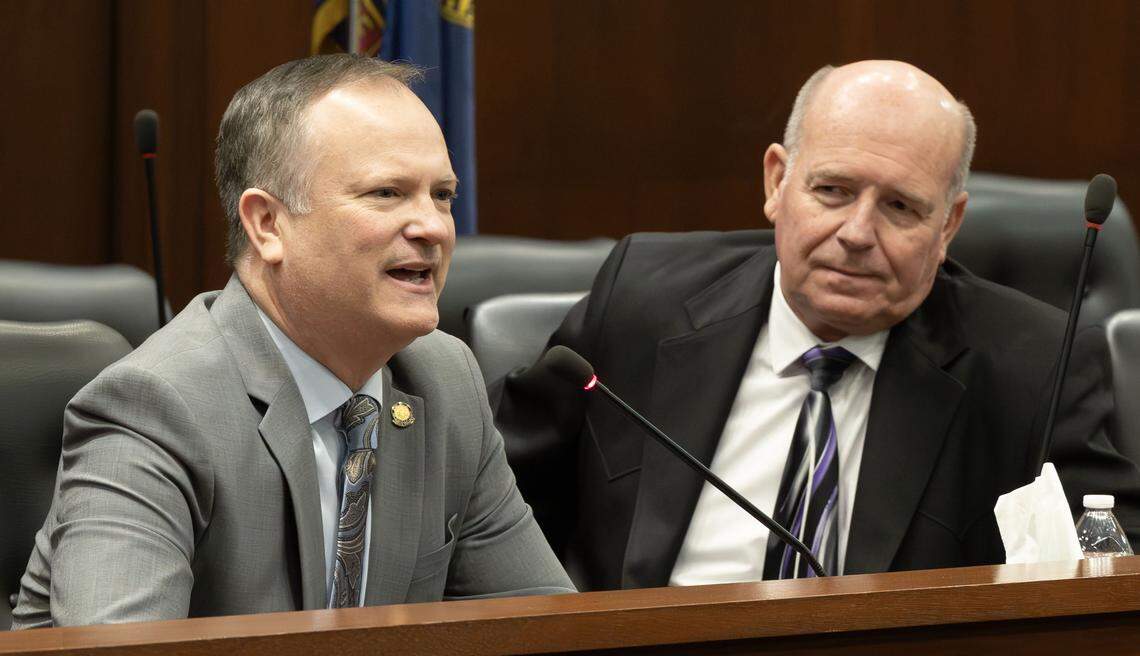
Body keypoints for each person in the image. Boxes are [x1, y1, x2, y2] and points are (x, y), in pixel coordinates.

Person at [494, 60, 1140, 591]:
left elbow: (1112, 560)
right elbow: (488, 501)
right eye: (832, 191)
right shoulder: (642, 298)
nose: (857, 234)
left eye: (900, 207)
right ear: (777, 181)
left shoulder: (1031, 365)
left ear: (948, 226)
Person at [12, 54, 573, 629]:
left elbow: (552, 633)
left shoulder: (445, 379)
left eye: (443, 195)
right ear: (268, 225)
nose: (432, 227)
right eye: (387, 193)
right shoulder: (156, 406)